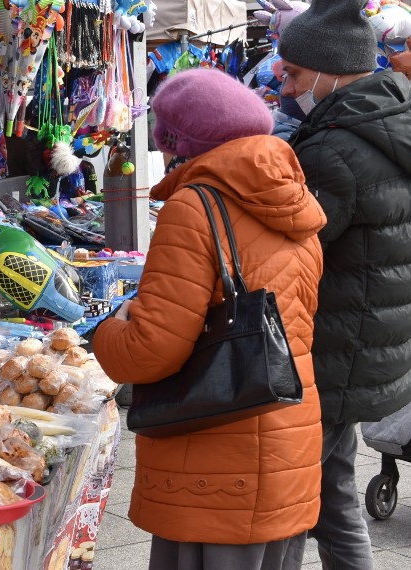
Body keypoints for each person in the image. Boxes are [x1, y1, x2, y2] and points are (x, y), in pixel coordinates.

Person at [93, 68, 326, 569]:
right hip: (288, 430)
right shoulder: (294, 197)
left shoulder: (195, 205)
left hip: (216, 450)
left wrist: (106, 329)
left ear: (180, 141)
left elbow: (150, 349)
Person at [278, 1, 411, 567]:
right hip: (369, 337)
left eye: (295, 75)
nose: (286, 87)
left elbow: (293, 245)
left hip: (336, 344)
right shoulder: (384, 120)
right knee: (331, 495)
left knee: (293, 496)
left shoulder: (337, 147)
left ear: (332, 70)